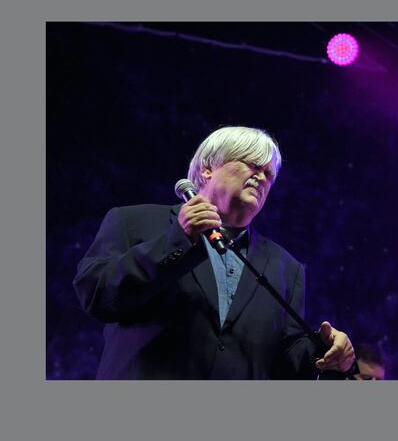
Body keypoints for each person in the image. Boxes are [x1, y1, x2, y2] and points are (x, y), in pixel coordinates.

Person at [73, 126, 355, 379]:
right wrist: (178, 240)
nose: (261, 177)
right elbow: (97, 295)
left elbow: (285, 362)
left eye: (269, 174)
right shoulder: (133, 222)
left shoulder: (286, 268)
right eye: (251, 164)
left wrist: (326, 354)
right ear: (208, 168)